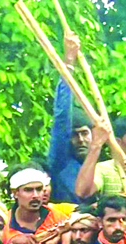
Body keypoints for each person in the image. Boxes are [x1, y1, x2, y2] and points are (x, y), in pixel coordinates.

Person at [46, 31, 92, 204]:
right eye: (75, 135)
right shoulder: (61, 163)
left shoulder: (103, 168)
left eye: (84, 133)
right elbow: (61, 118)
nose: (81, 140)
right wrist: (69, 62)